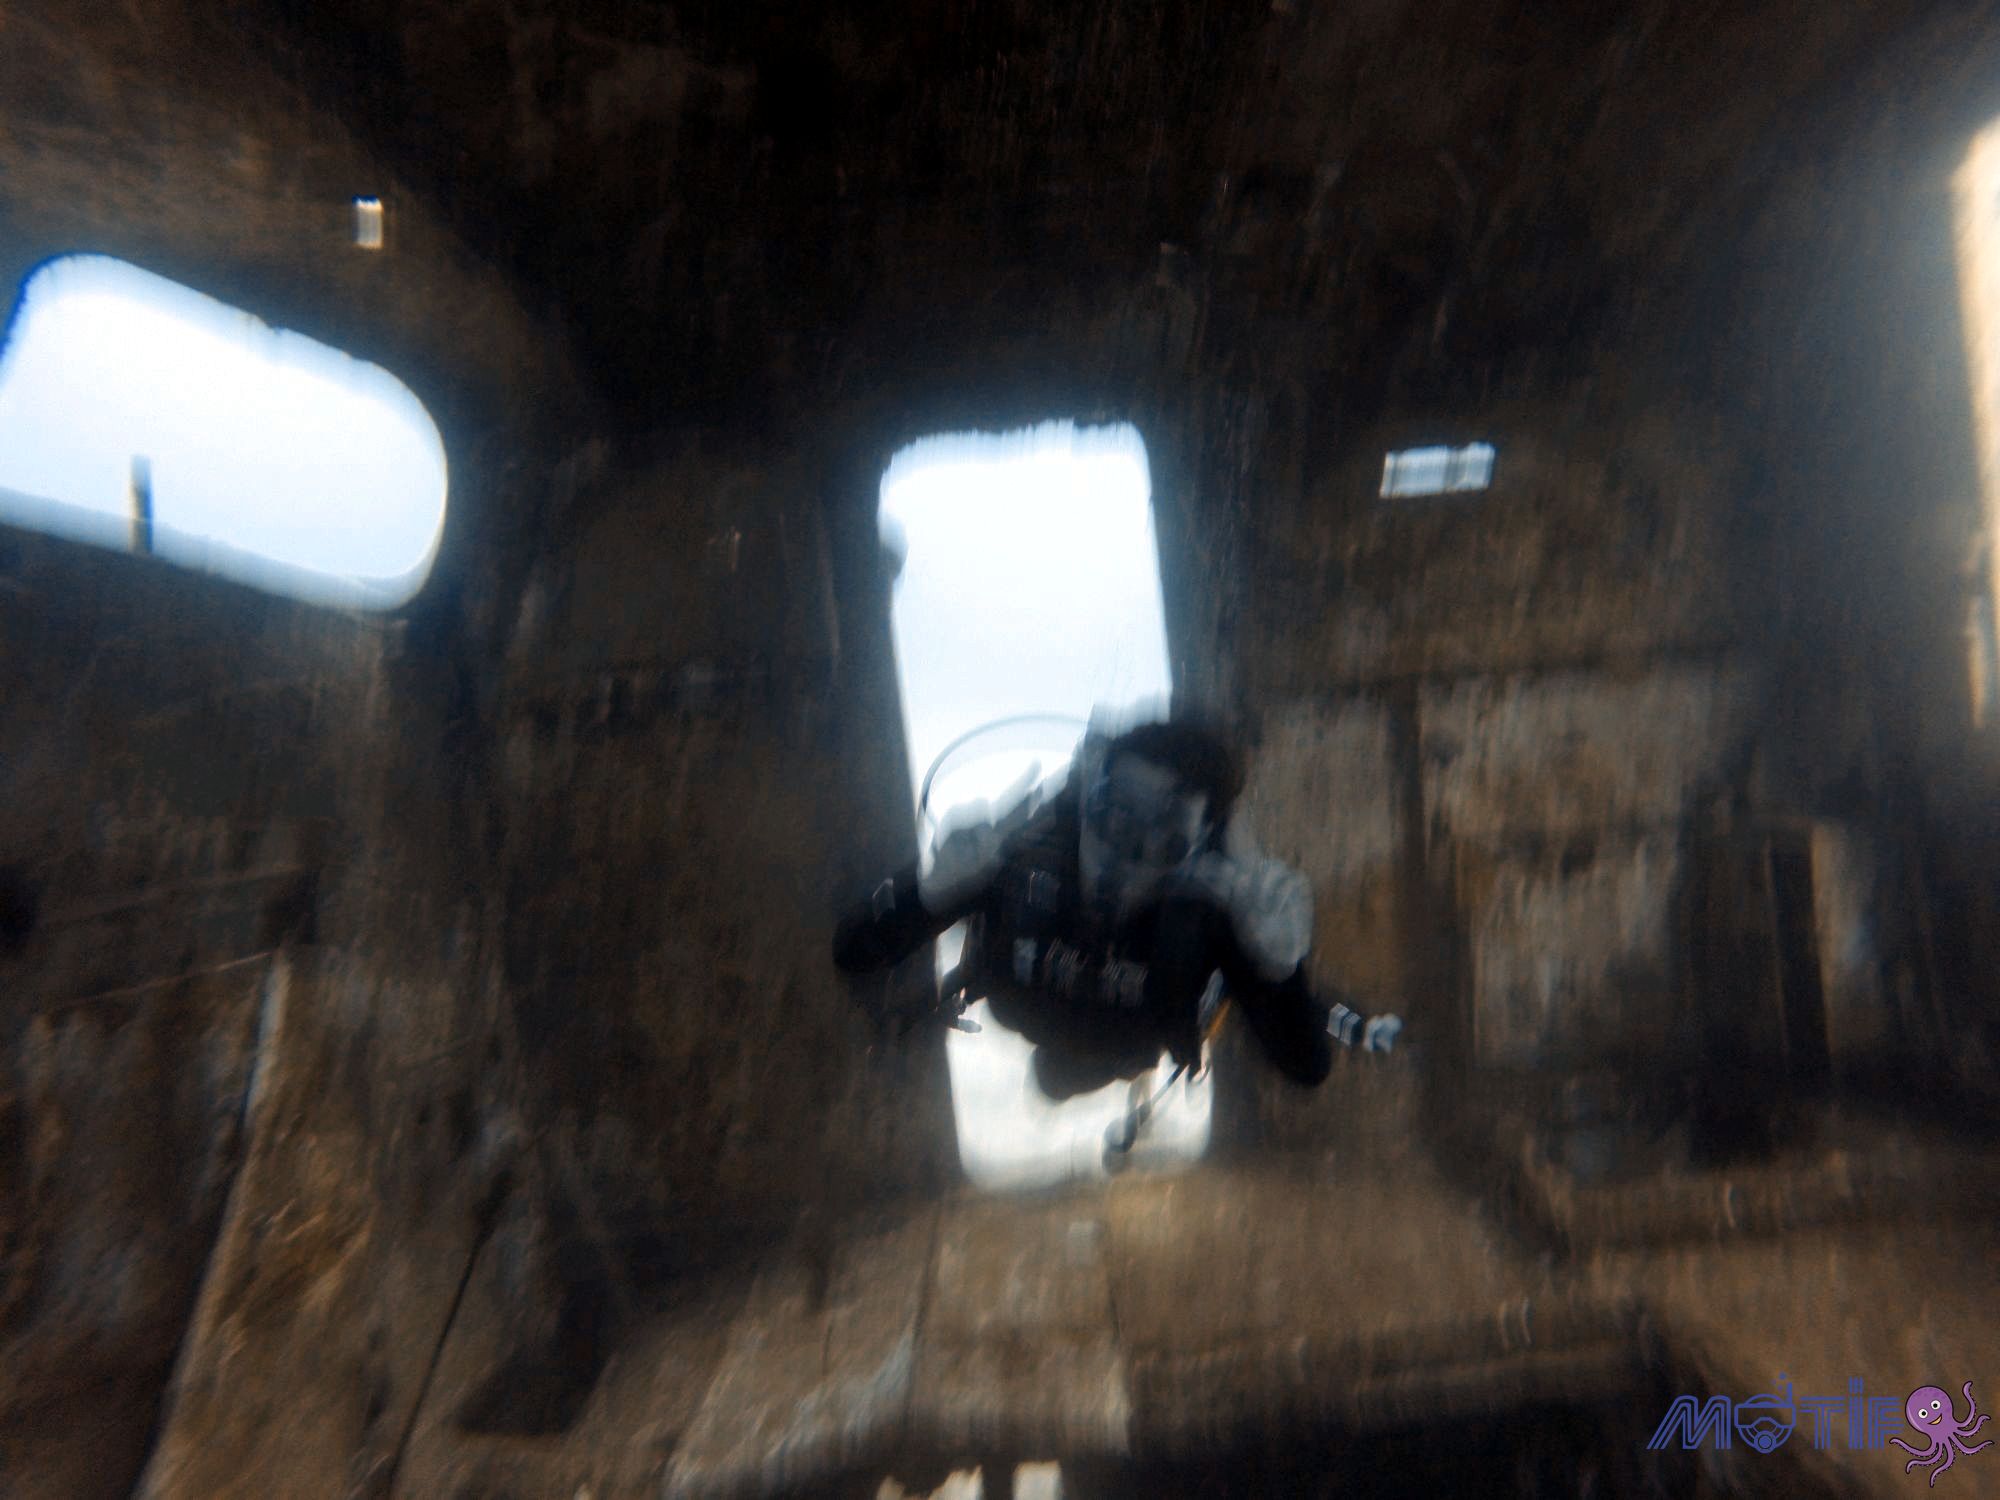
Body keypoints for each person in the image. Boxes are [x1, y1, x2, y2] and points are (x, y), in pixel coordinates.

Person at [833, 714, 1401, 1099]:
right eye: (1113, 817)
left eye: (1163, 842)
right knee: (1053, 1080)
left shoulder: (1211, 915)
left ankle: (1077, 1076)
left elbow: (1306, 1066)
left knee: (1058, 1082)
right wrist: (928, 893)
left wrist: (1279, 970)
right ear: (1087, 803)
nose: (1121, 859)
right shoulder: (1018, 860)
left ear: (1199, 852)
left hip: (1121, 1048)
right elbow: (854, 953)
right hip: (1041, 1020)